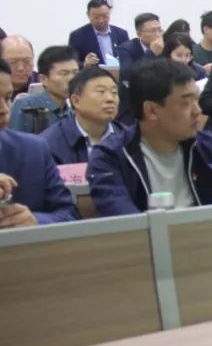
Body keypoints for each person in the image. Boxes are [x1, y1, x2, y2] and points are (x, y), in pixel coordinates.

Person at [87, 59, 212, 216]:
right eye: (186, 102)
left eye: (196, 100)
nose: (197, 111)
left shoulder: (205, 146)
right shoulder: (110, 157)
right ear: (151, 110)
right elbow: (126, 224)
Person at [0, 60, 80, 227]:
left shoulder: (33, 149)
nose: (4, 109)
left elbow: (69, 214)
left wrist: (36, 221)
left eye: (7, 98)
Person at [41, 66, 121, 165]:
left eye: (114, 92)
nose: (110, 99)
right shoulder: (50, 143)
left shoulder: (129, 138)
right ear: (76, 101)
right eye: (101, 92)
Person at [9, 46, 77, 133]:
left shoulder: (73, 111)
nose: (72, 78)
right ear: (43, 79)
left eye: (75, 72)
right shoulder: (26, 106)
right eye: (64, 73)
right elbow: (13, 139)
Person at [68, 0, 130, 66]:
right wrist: (85, 63)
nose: (101, 20)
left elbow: (130, 58)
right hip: (92, 72)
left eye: (105, 16)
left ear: (110, 13)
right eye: (96, 17)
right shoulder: (77, 36)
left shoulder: (121, 34)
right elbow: (70, 63)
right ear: (88, 15)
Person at [116, 12, 164, 85]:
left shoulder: (165, 46)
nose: (158, 35)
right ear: (139, 34)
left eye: (160, 30)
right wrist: (151, 53)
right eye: (153, 31)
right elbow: (127, 74)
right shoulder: (126, 49)